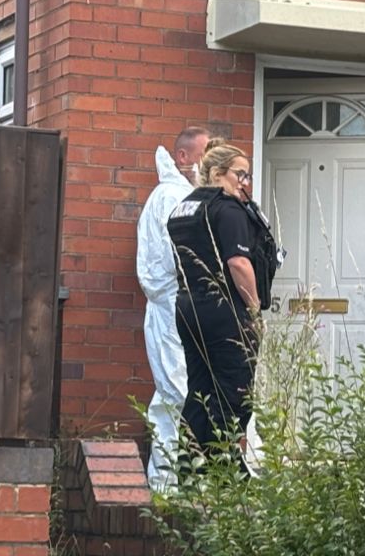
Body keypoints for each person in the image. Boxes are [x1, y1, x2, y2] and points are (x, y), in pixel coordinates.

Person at [167, 139, 280, 462]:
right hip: (226, 310)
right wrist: (255, 309)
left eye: (248, 176)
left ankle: (190, 469)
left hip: (189, 307)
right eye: (240, 174)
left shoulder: (184, 208)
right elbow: (238, 263)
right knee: (234, 393)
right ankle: (225, 473)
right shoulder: (228, 209)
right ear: (218, 173)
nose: (245, 183)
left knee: (199, 391)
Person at [137, 126, 210, 491]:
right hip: (173, 310)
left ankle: (167, 480)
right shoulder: (171, 198)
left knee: (172, 395)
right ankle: (170, 483)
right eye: (204, 151)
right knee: (178, 394)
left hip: (179, 309)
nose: (208, 160)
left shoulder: (183, 195)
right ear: (183, 157)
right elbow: (176, 258)